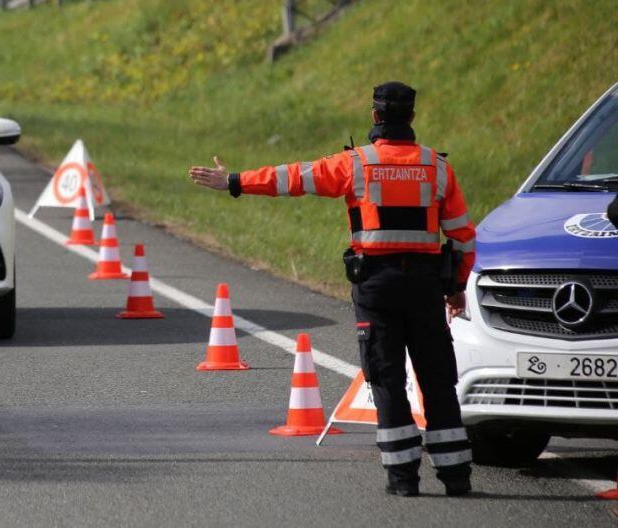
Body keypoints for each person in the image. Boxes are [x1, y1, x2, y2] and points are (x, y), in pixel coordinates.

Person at [189, 82, 476, 498]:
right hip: (426, 287)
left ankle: (403, 479)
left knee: (387, 379)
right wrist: (457, 287)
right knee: (437, 378)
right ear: (411, 118)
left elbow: (292, 178)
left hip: (376, 286)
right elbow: (463, 237)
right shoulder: (438, 168)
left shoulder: (355, 164)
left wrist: (234, 180)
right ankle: (456, 476)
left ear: (375, 117)